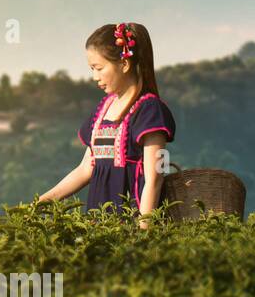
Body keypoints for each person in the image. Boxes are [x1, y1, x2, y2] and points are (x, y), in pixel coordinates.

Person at [38, 23, 176, 225]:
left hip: (132, 222)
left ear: (124, 64)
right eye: (91, 69)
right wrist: (42, 203)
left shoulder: (149, 111)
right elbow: (86, 169)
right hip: (99, 219)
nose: (94, 77)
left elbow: (154, 179)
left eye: (99, 68)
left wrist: (144, 233)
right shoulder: (104, 109)